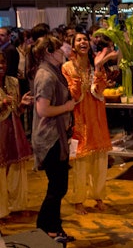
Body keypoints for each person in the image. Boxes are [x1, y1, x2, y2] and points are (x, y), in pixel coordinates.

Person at [31, 36, 75, 243]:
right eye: (59, 48)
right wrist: (67, 107)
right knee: (58, 186)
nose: (63, 50)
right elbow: (43, 109)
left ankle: (54, 227)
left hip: (57, 136)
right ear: (49, 51)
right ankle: (44, 226)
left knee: (58, 185)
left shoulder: (53, 72)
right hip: (49, 138)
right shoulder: (46, 75)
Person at [62, 32, 112, 215]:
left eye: (85, 39)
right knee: (80, 163)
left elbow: (100, 89)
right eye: (78, 40)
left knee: (99, 160)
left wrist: (98, 68)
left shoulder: (94, 66)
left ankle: (98, 196)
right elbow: (72, 94)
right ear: (73, 46)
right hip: (79, 119)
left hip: (97, 118)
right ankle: (78, 200)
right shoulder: (67, 67)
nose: (83, 42)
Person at [0, 51, 33, 222]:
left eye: (3, 62)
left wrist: (22, 105)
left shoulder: (13, 82)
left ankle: (17, 205)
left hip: (14, 129)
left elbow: (17, 111)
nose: (1, 66)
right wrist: (1, 104)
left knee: (16, 169)